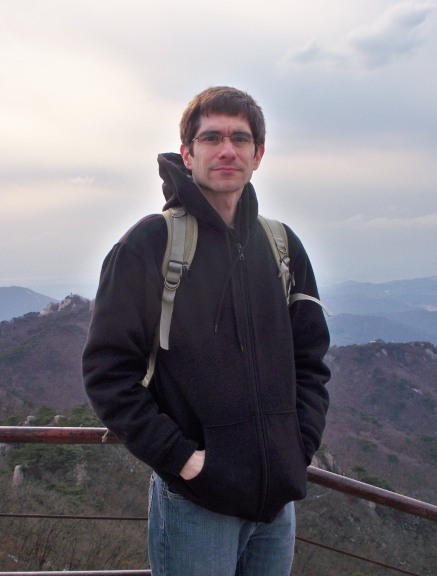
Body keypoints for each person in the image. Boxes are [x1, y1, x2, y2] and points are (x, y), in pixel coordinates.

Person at [82, 86, 331, 576]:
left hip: (275, 505)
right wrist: (185, 460)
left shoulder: (281, 246)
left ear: (258, 155)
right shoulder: (150, 244)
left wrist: (297, 446)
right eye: (211, 137)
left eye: (240, 139)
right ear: (187, 152)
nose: (226, 150)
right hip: (197, 505)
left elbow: (311, 360)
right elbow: (107, 374)